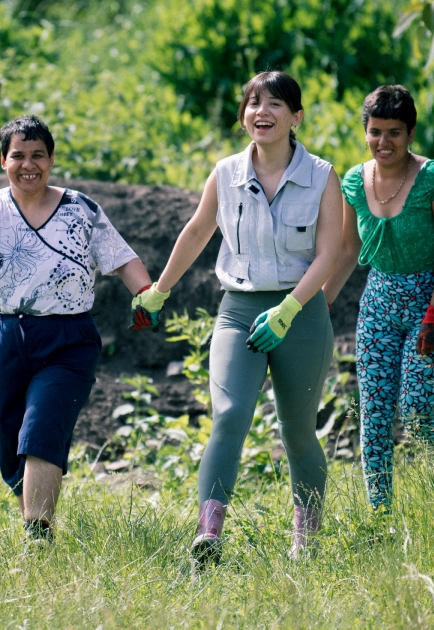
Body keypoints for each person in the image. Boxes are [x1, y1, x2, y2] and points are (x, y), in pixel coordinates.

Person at [134, 71, 343, 564]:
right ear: (242, 115)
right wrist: (158, 291)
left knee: (297, 430)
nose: (261, 112)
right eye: (253, 103)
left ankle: (306, 542)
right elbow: (196, 231)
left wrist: (289, 310)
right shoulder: (225, 173)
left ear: (296, 117)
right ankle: (209, 535)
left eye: (274, 104)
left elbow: (329, 252)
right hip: (239, 311)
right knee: (228, 416)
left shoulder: (322, 176)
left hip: (301, 312)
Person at [0, 115, 154, 544]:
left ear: (51, 160)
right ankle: (34, 521)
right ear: (3, 160)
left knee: (41, 429)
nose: (27, 164)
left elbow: (121, 257)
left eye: (37, 155)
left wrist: (145, 292)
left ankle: (38, 539)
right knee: (9, 438)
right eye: (18, 156)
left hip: (68, 341)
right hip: (7, 336)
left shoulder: (79, 208)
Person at [320, 85, 434, 510]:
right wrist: (320, 303)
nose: (384, 142)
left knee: (416, 409)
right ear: (365, 132)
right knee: (376, 414)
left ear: (411, 133)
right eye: (376, 132)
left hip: (430, 303)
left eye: (395, 133)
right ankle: (380, 512)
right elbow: (348, 252)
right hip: (379, 304)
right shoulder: (353, 181)